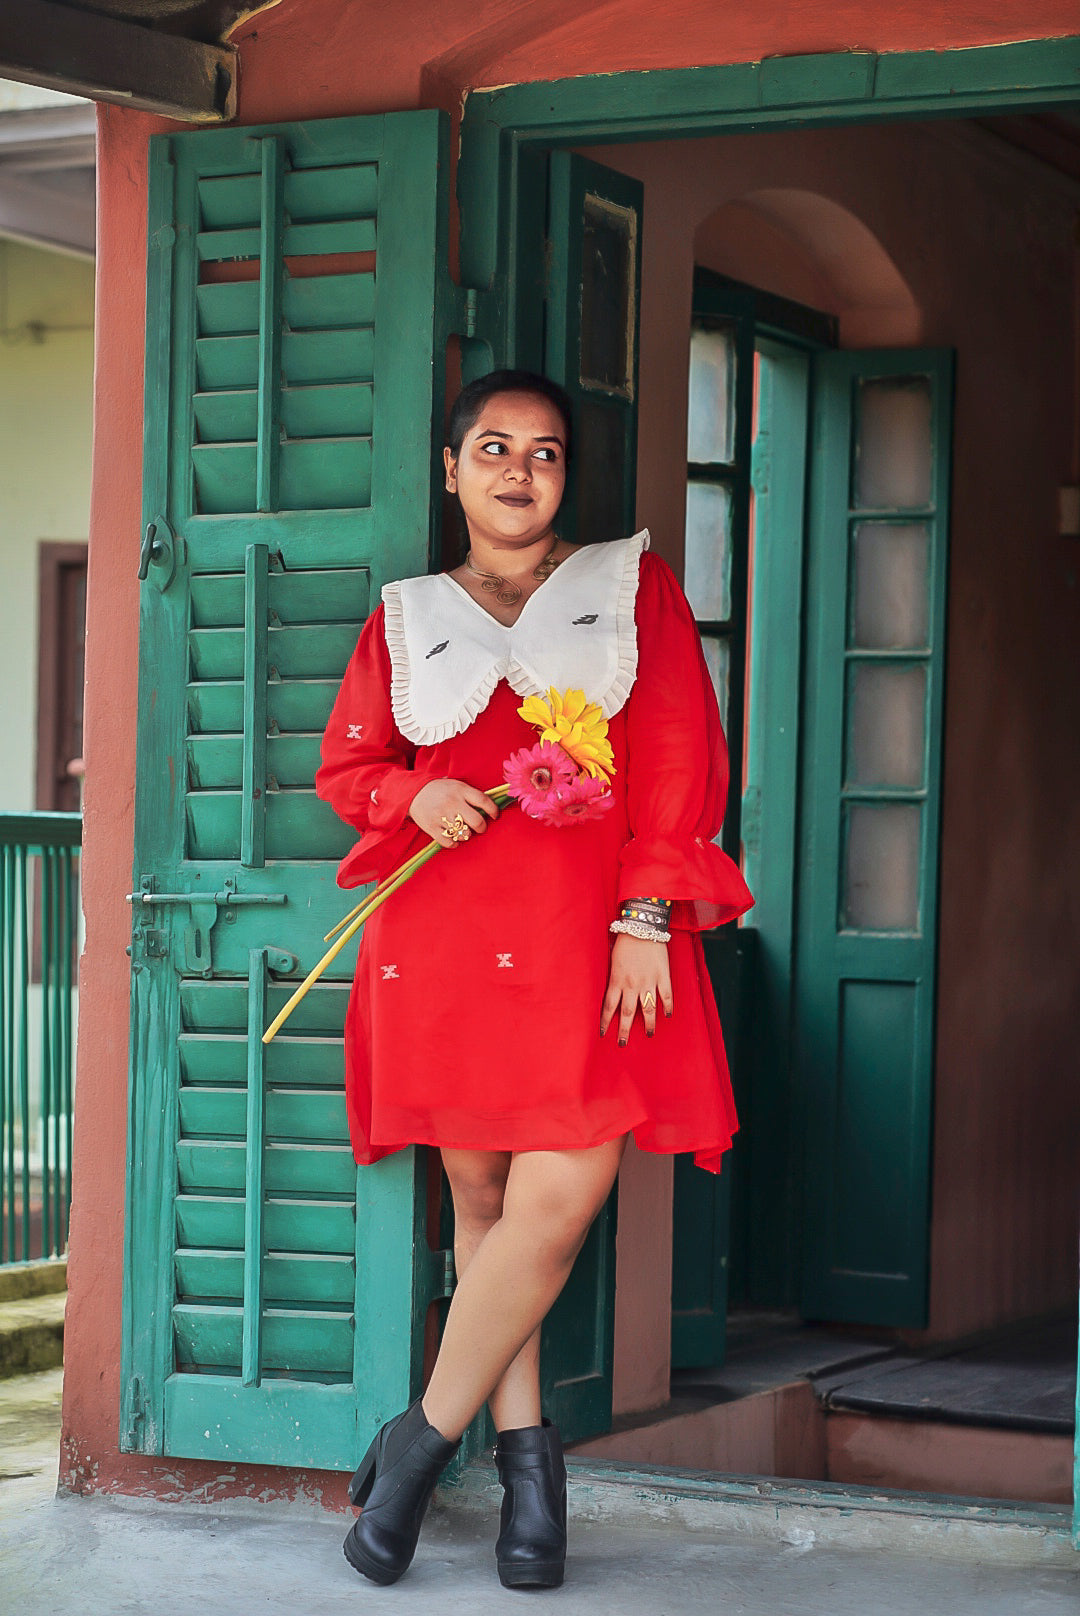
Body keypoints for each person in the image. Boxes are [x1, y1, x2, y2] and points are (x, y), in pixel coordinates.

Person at [315, 369, 753, 1590]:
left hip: (593, 941)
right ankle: (528, 1481)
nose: (519, 470)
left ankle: (414, 1446)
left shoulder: (629, 587)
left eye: (545, 450)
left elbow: (677, 751)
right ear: (451, 470)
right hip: (449, 942)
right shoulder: (405, 615)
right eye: (494, 448)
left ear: (568, 473)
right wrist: (414, 794)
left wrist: (647, 913)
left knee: (556, 1201)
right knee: (485, 1204)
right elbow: (349, 766)